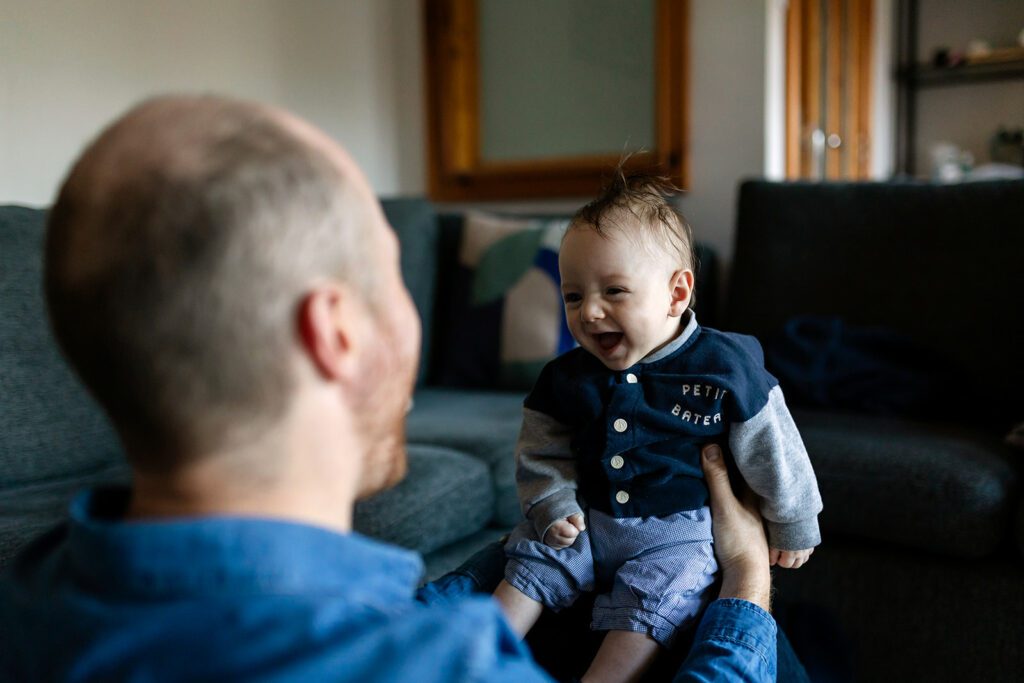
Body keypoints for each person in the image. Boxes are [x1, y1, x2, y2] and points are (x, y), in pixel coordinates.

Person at [0, 95, 789, 682]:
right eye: (390, 277)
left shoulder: (33, 591)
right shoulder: (444, 666)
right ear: (336, 332)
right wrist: (747, 583)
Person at [494, 171, 823, 683]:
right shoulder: (566, 377)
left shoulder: (724, 364)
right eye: (574, 296)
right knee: (533, 557)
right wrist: (551, 502)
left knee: (660, 598)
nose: (590, 312)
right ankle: (469, 654)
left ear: (676, 293)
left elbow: (773, 447)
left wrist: (793, 518)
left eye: (614, 291)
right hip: (587, 516)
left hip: (677, 535)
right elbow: (542, 450)